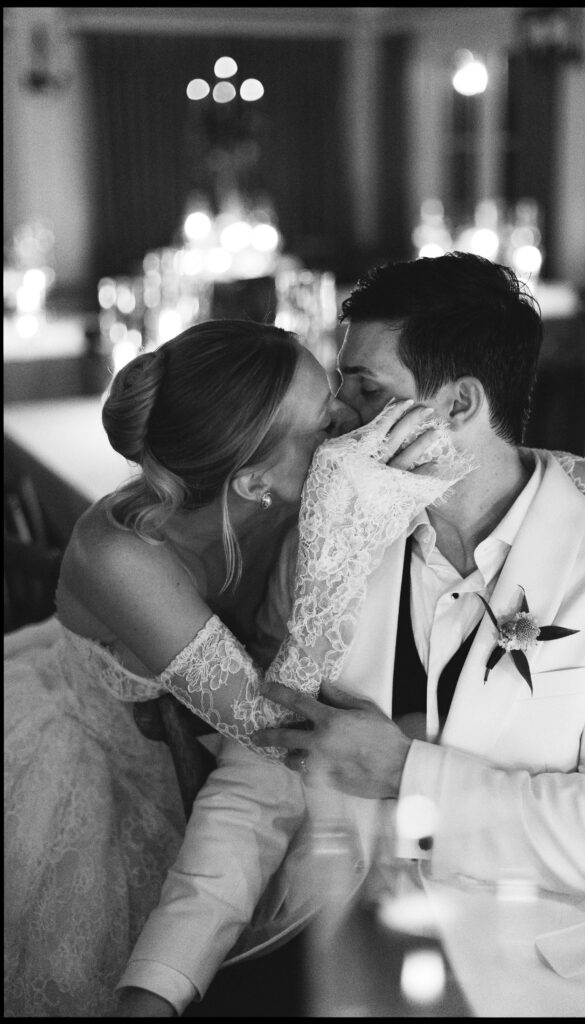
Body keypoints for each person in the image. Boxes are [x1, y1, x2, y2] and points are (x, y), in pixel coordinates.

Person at [117, 254, 585, 1018]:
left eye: (366, 389)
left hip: (542, 990)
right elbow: (263, 777)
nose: (337, 416)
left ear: (457, 406)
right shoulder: (327, 542)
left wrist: (404, 773)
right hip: (348, 974)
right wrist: (158, 981)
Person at [5, 317, 468, 1018]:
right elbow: (275, 730)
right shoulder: (120, 557)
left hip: (221, 761)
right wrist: (338, 549)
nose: (346, 422)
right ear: (254, 481)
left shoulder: (290, 488)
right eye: (321, 424)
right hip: (99, 755)